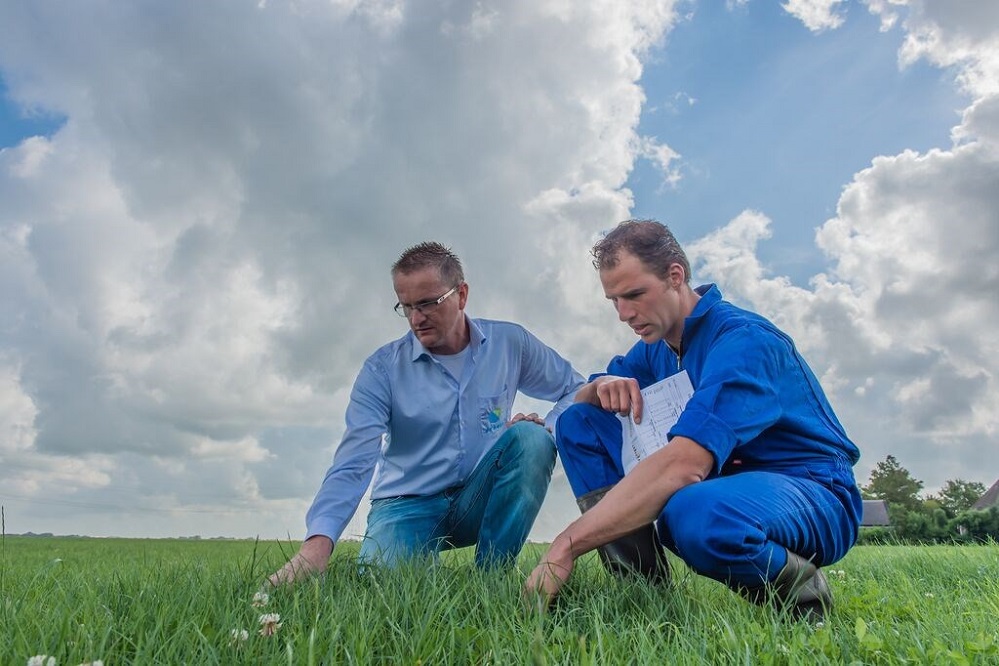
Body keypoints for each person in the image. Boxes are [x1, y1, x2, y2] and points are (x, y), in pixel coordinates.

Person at [525, 219, 862, 620]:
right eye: (613, 300)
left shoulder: (743, 340)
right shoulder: (657, 346)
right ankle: (643, 595)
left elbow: (685, 466)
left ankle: (805, 603)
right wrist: (601, 385)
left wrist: (566, 545)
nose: (624, 314)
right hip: (727, 482)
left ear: (675, 276)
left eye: (634, 294)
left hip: (809, 489)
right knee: (579, 421)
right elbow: (584, 396)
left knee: (692, 514)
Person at [269, 241, 585, 584]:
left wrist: (548, 425)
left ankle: (491, 581)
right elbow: (354, 460)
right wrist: (318, 544)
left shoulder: (510, 343)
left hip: (476, 497)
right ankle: (410, 557)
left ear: (461, 295)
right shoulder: (381, 371)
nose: (416, 319)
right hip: (406, 506)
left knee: (531, 439)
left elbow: (576, 388)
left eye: (427, 304)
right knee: (383, 588)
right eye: (406, 307)